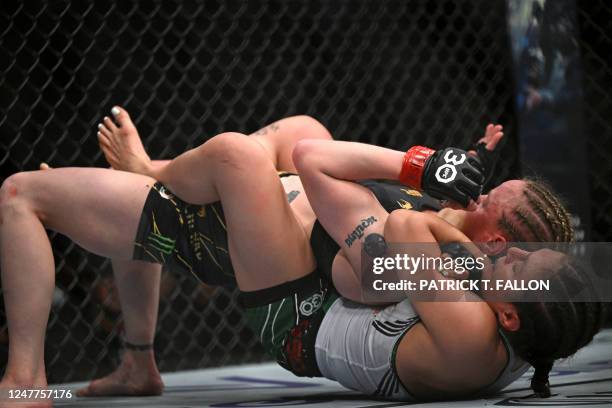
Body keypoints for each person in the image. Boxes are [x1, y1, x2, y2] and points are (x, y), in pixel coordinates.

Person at [0, 108, 585, 407]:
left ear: (496, 249)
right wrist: (445, 185)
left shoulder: (456, 298)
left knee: (22, 195)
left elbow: (381, 211)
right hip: (304, 254)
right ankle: (138, 360)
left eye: (516, 264)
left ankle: (23, 382)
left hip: (298, 305)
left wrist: (425, 169)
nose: (478, 193)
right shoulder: (501, 301)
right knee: (283, 140)